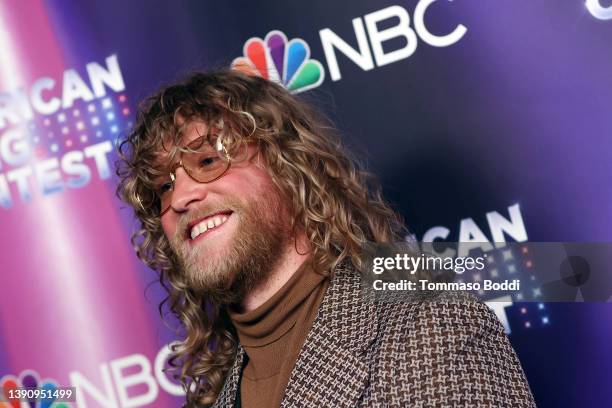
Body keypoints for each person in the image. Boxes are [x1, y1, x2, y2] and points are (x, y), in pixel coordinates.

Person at [116, 70, 536, 407]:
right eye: (162, 188)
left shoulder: (429, 328)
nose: (182, 197)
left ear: (287, 168)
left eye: (207, 160)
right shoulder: (215, 395)